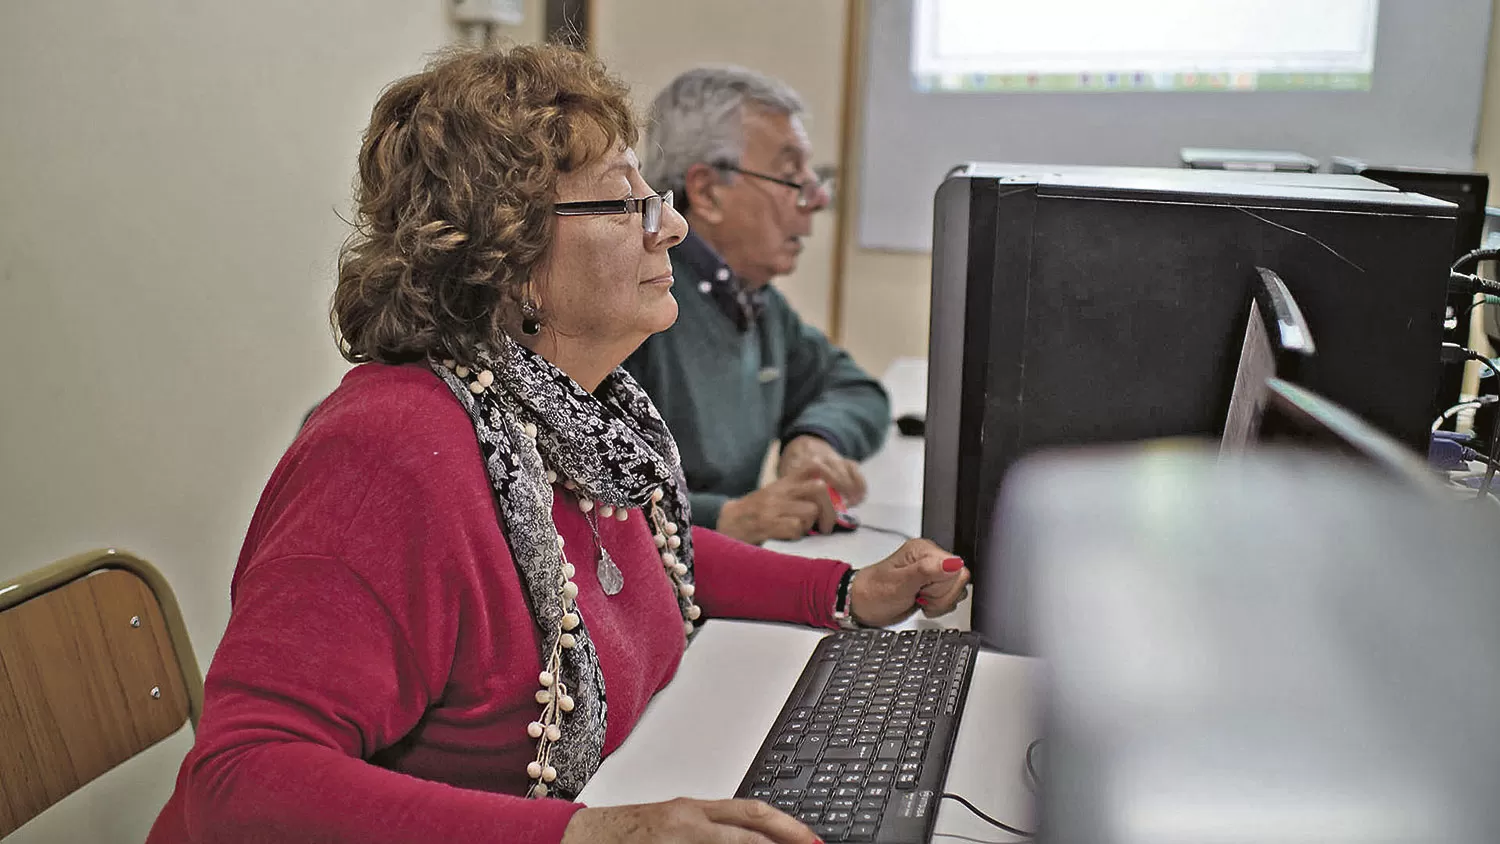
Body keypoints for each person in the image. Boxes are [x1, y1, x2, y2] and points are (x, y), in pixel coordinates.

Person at [146, 44, 969, 844]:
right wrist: (592, 836)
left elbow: (653, 555)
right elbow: (241, 784)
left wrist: (844, 592)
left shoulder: (565, 418)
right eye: (625, 204)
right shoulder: (383, 457)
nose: (672, 225)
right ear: (510, 259)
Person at [626, 67, 891, 546]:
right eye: (792, 176)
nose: (818, 197)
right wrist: (725, 518)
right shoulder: (634, 306)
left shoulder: (755, 300)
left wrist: (815, 439)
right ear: (707, 192)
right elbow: (577, 498)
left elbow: (858, 390)